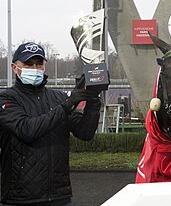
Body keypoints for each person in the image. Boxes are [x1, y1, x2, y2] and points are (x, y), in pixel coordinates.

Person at [0, 42, 103, 206]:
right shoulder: (7, 99)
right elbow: (27, 130)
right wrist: (68, 105)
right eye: (28, 64)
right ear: (14, 67)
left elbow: (85, 133)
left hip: (59, 196)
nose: (34, 68)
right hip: (20, 199)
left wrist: (93, 99)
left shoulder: (58, 98)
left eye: (39, 64)